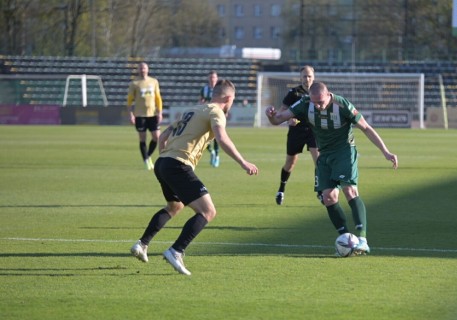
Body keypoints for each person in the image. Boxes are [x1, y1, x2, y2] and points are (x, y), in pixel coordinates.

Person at [130, 80, 259, 275]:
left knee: (175, 206)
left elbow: (164, 135)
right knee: (208, 211)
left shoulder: (194, 110)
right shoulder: (216, 112)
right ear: (229, 98)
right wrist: (243, 162)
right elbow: (222, 138)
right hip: (178, 165)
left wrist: (166, 154)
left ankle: (142, 244)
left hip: (163, 162)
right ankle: (176, 250)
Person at [265, 82, 398, 255]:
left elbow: (366, 127)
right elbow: (277, 120)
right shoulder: (305, 104)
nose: (318, 106)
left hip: (344, 152)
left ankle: (363, 241)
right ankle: (347, 242)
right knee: (328, 197)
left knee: (349, 190)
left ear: (328, 95)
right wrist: (270, 115)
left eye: (321, 102)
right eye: (315, 103)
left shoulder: (342, 105)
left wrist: (385, 152)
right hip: (324, 155)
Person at [274, 65, 319, 205]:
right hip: (296, 131)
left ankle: (320, 191)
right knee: (290, 162)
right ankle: (281, 189)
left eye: (309, 76)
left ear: (314, 77)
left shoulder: (318, 91)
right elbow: (281, 112)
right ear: (300, 77)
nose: (307, 79)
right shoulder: (294, 93)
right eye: (304, 76)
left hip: (313, 130)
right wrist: (289, 119)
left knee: (319, 161)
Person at [127, 62, 163, 170]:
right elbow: (129, 101)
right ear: (138, 70)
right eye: (141, 68)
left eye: (144, 68)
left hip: (152, 114)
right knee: (142, 138)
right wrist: (131, 114)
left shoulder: (154, 81)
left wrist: (160, 112)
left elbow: (158, 98)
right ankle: (146, 160)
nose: (143, 70)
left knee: (157, 137)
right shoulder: (134, 83)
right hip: (140, 115)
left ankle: (147, 156)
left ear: (147, 69)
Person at [200, 70, 221, 167]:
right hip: (207, 115)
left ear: (217, 78)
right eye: (210, 77)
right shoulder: (204, 89)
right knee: (203, 135)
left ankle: (216, 155)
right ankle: (211, 151)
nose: (212, 79)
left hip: (217, 115)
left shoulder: (220, 89)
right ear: (208, 79)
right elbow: (201, 101)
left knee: (217, 135)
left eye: (214, 77)